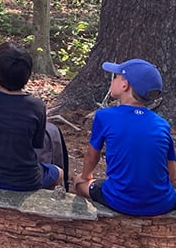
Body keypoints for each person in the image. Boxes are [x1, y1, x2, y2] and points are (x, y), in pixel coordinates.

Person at [73, 59, 176, 215]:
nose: (113, 80)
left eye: (116, 77)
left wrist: (85, 176)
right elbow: (172, 173)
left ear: (124, 85)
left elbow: (91, 157)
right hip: (162, 202)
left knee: (78, 183)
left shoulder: (105, 116)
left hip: (120, 200)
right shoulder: (162, 124)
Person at [0, 42, 63, 191]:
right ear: (28, 74)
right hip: (27, 179)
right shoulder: (37, 106)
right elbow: (35, 144)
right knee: (59, 173)